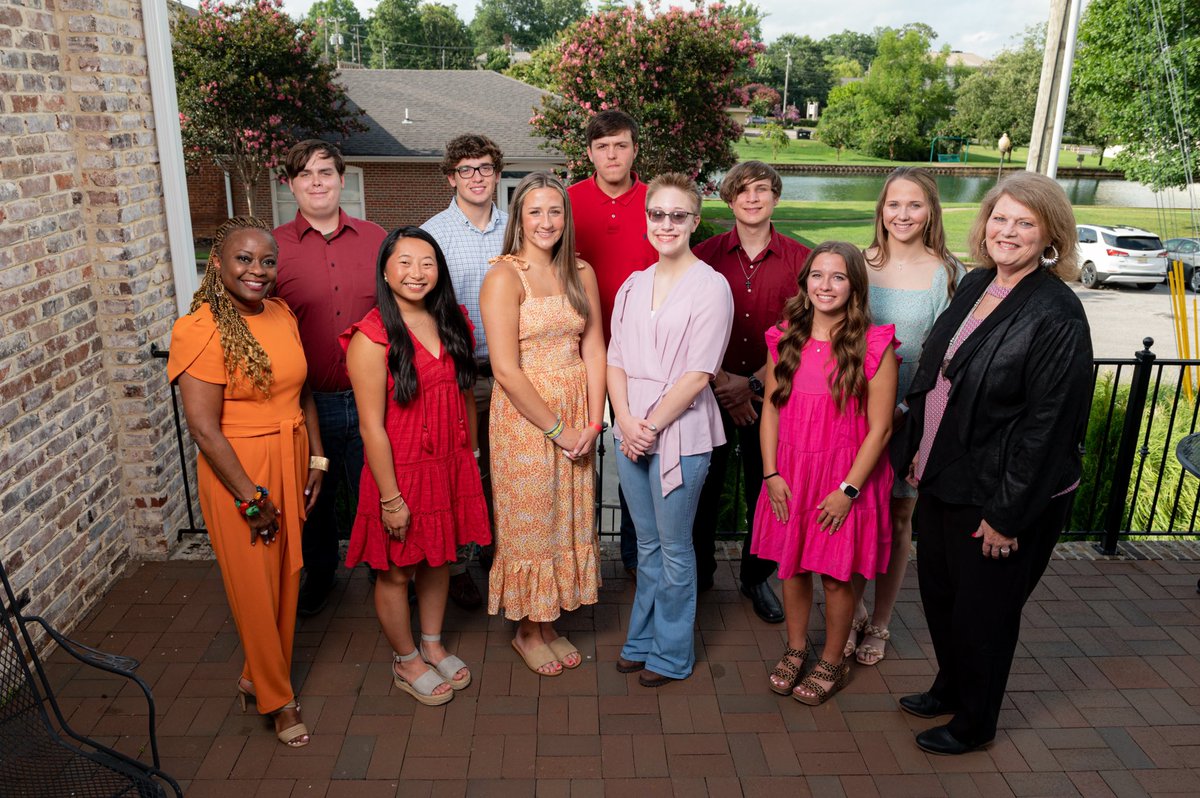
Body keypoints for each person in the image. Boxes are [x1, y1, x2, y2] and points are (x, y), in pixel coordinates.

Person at [892, 172, 1092, 754]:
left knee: (986, 616)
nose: (1009, 232)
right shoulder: (977, 283)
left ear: (1050, 234)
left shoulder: (1058, 313)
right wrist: (917, 455)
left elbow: (1049, 426)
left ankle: (975, 723)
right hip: (943, 477)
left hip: (1000, 494)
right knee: (943, 598)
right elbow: (937, 375)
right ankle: (950, 687)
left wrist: (1008, 515)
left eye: (1025, 223)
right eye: (1001, 218)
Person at [168, 216, 325, 747]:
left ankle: (254, 678)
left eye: (266, 261)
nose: (257, 271)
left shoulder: (280, 314)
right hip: (239, 469)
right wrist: (251, 497)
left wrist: (317, 459)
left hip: (291, 453)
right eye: (243, 259)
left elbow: (302, 392)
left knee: (285, 578)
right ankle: (278, 701)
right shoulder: (200, 327)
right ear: (218, 262)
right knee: (256, 588)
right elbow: (203, 429)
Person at [342, 227, 491, 706]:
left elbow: (465, 393)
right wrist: (390, 498)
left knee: (440, 558)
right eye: (404, 262)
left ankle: (431, 642)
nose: (416, 273)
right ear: (385, 271)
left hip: (447, 463)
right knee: (396, 571)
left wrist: (469, 455)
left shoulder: (454, 321)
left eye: (427, 263)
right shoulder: (371, 337)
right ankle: (405, 659)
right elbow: (371, 427)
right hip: (401, 471)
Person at [754, 241, 898, 705]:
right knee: (791, 568)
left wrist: (848, 491)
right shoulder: (784, 338)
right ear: (805, 283)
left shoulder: (874, 345)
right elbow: (771, 412)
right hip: (791, 473)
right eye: (817, 275)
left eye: (838, 277)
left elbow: (881, 428)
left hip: (844, 479)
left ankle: (832, 660)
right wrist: (771, 473)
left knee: (837, 577)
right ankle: (796, 649)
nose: (826, 285)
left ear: (854, 285)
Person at [608, 173, 734, 687]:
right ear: (647, 220)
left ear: (694, 221)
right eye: (656, 214)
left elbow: (699, 374)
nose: (666, 224)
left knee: (676, 547)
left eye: (677, 215)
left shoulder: (711, 287)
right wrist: (625, 421)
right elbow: (614, 358)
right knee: (648, 547)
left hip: (679, 433)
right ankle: (640, 639)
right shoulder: (633, 285)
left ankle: (671, 653)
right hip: (630, 427)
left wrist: (651, 426)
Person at [481, 172, 606, 677]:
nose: (546, 221)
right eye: (535, 211)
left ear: (566, 218)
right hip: (526, 417)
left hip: (578, 409)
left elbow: (594, 346)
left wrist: (594, 421)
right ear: (519, 218)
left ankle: (549, 620)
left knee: (565, 517)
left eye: (555, 211)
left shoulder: (582, 271)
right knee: (530, 519)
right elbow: (505, 369)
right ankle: (526, 631)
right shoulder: (504, 277)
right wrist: (558, 429)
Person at [846, 167, 963, 666]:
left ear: (930, 210)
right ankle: (847, 610)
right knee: (849, 510)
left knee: (897, 517)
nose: (902, 215)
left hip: (912, 413)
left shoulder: (947, 273)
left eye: (914, 205)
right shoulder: (858, 263)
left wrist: (921, 424)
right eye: (894, 204)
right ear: (881, 209)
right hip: (853, 407)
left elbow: (948, 359)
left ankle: (880, 622)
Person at [692, 161, 811, 621]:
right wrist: (723, 381)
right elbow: (689, 324)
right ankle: (700, 573)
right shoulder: (704, 254)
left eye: (762, 190)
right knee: (705, 482)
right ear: (729, 199)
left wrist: (754, 383)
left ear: (776, 197)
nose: (753, 198)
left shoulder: (802, 261)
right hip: (710, 389)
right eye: (743, 191)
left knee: (767, 486)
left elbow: (803, 331)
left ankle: (756, 578)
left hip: (773, 392)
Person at [274, 139, 388, 617]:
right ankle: (320, 574)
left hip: (373, 399)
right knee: (314, 497)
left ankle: (385, 572)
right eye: (305, 174)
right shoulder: (272, 249)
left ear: (343, 179)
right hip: (308, 403)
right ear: (291, 184)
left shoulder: (377, 238)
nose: (316, 182)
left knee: (378, 485)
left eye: (325, 172)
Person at [568, 110, 658, 579]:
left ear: (634, 149)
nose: (611, 154)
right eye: (602, 147)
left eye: (620, 145)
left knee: (634, 454)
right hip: (576, 350)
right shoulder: (567, 202)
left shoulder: (655, 202)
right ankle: (576, 557)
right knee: (576, 452)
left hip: (641, 355)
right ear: (590, 153)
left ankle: (634, 560)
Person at [421, 133, 509, 610]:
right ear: (451, 177)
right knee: (459, 472)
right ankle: (455, 568)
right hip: (458, 374)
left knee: (506, 471)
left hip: (512, 373)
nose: (476, 177)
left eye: (485, 168)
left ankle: (500, 553)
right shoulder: (431, 233)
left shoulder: (516, 229)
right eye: (466, 170)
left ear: (497, 174)